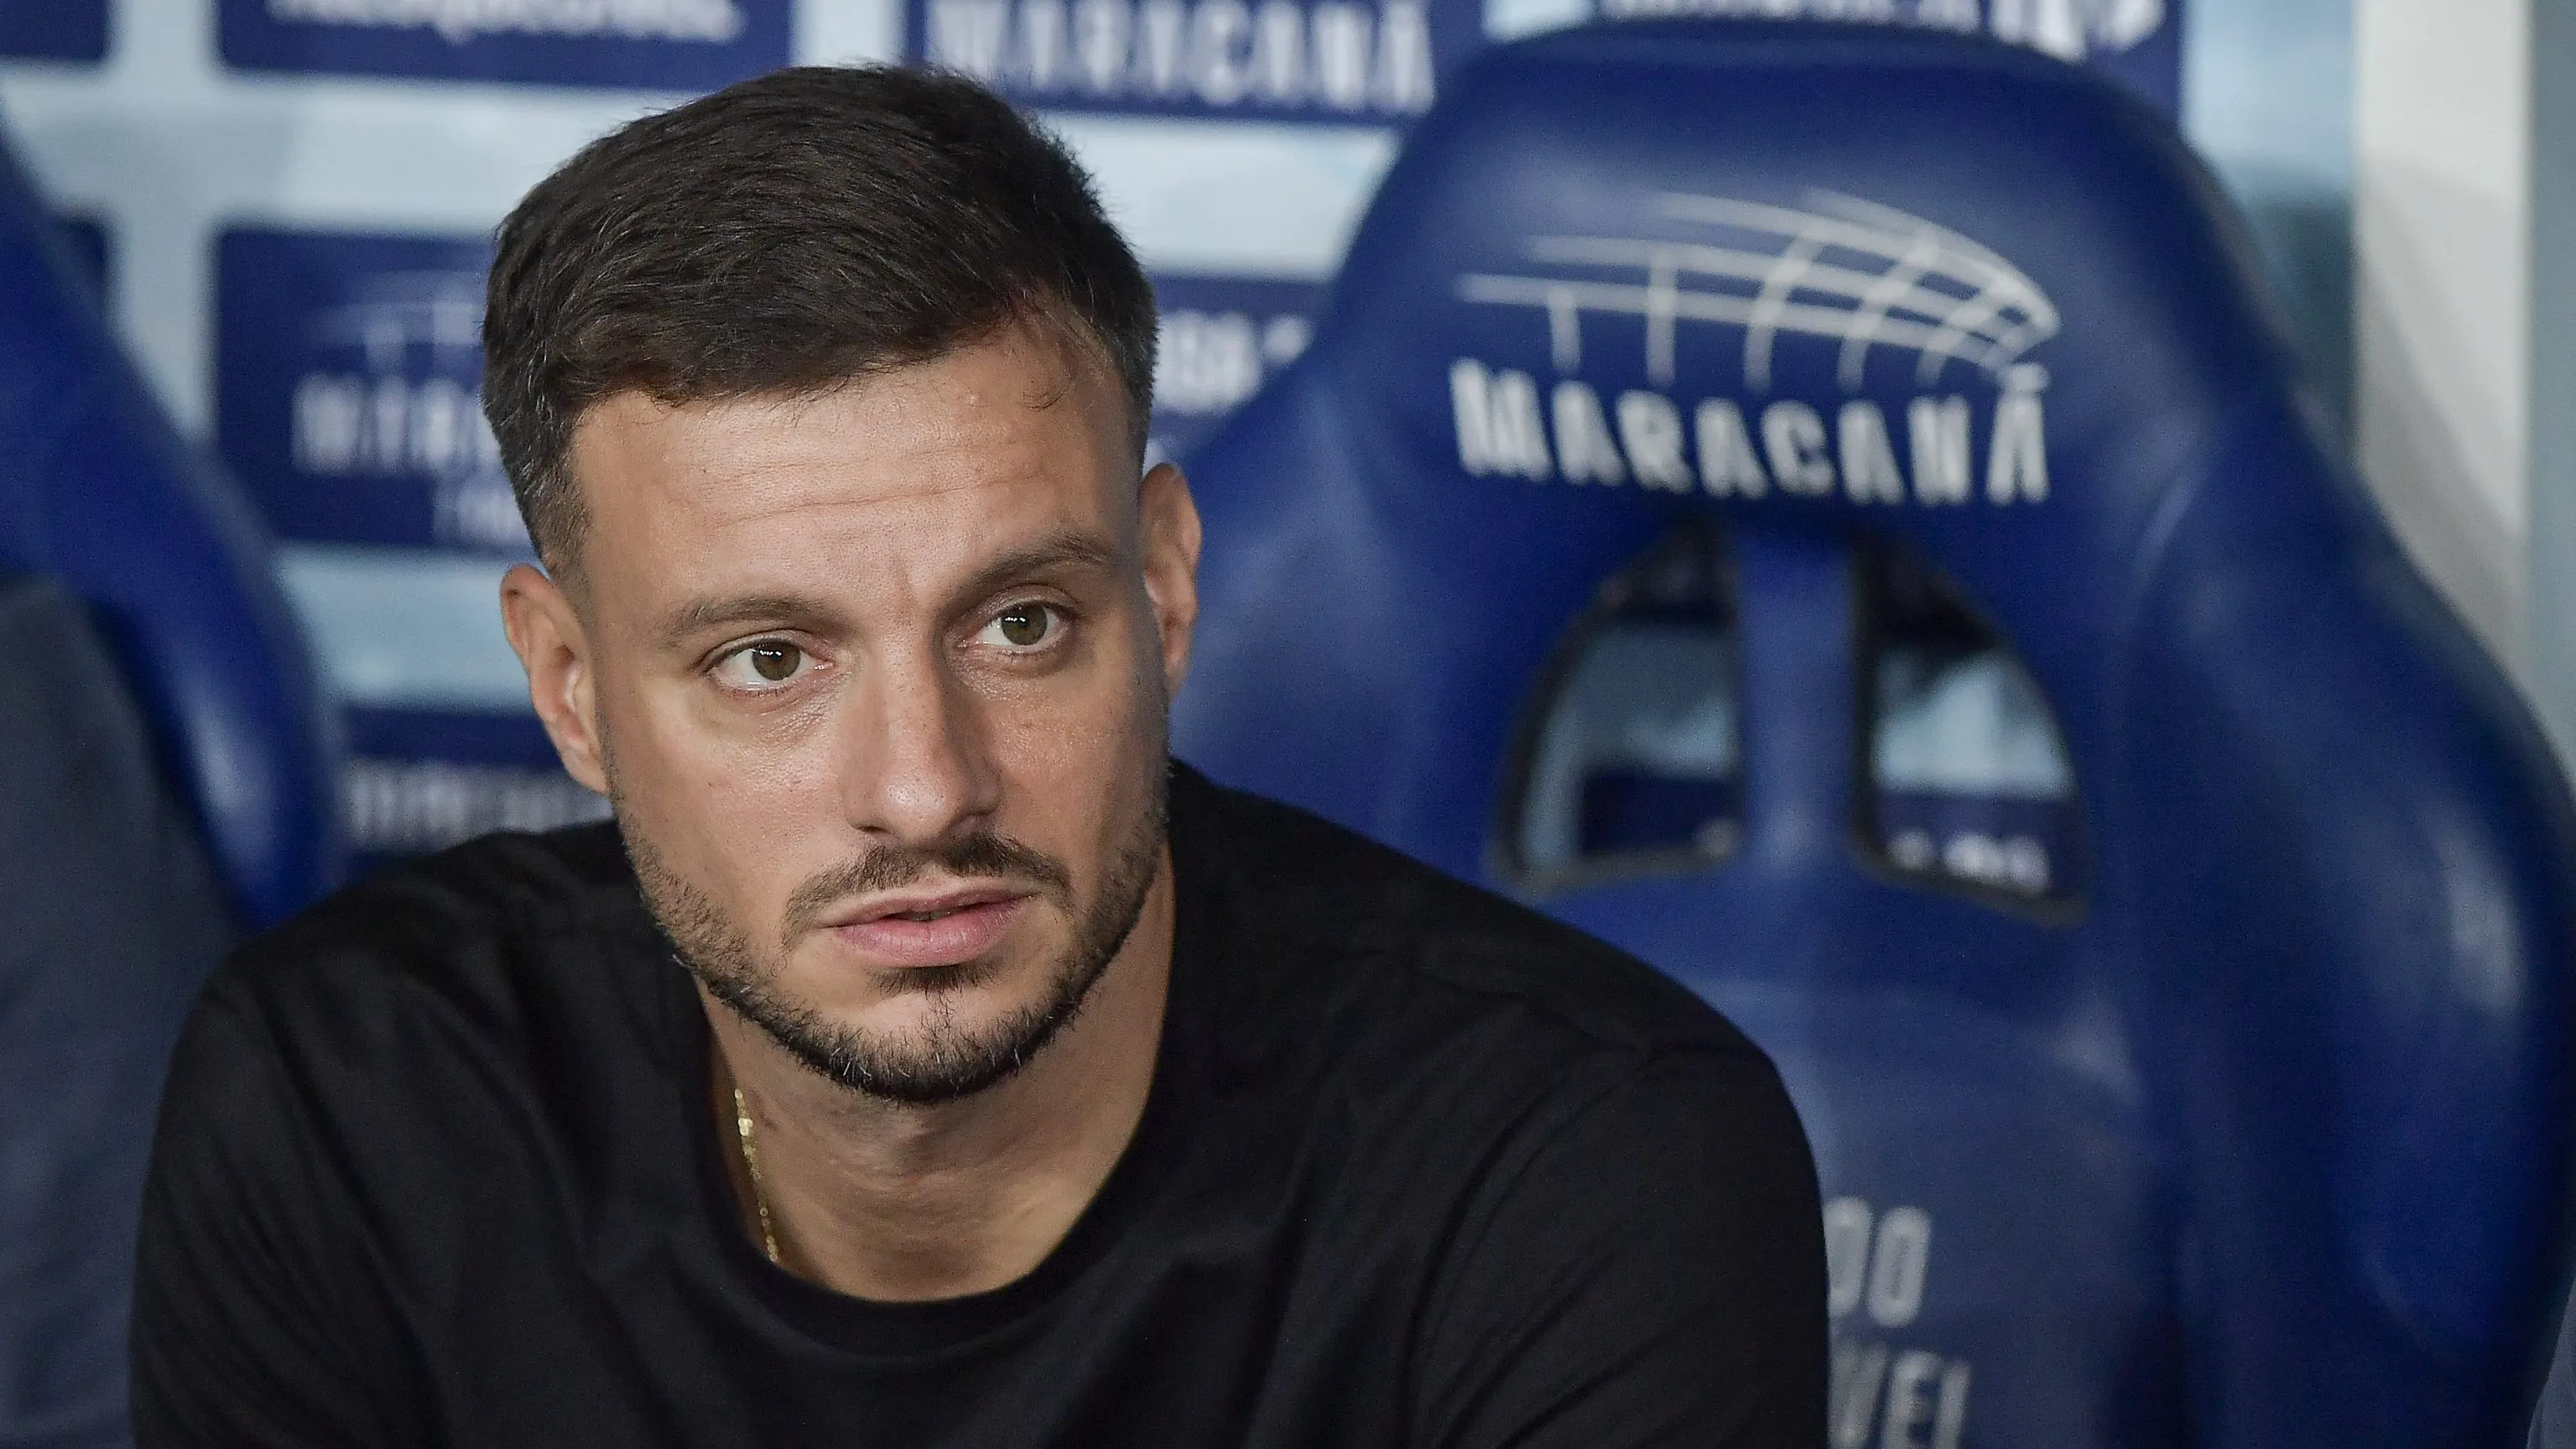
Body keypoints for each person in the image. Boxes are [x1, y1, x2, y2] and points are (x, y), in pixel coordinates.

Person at [131, 65, 1825, 1446]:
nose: (929, 788)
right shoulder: (347, 1111)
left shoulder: (1582, 1167)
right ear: (571, 688)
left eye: (1018, 624)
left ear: (1162, 587)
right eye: (771, 661)